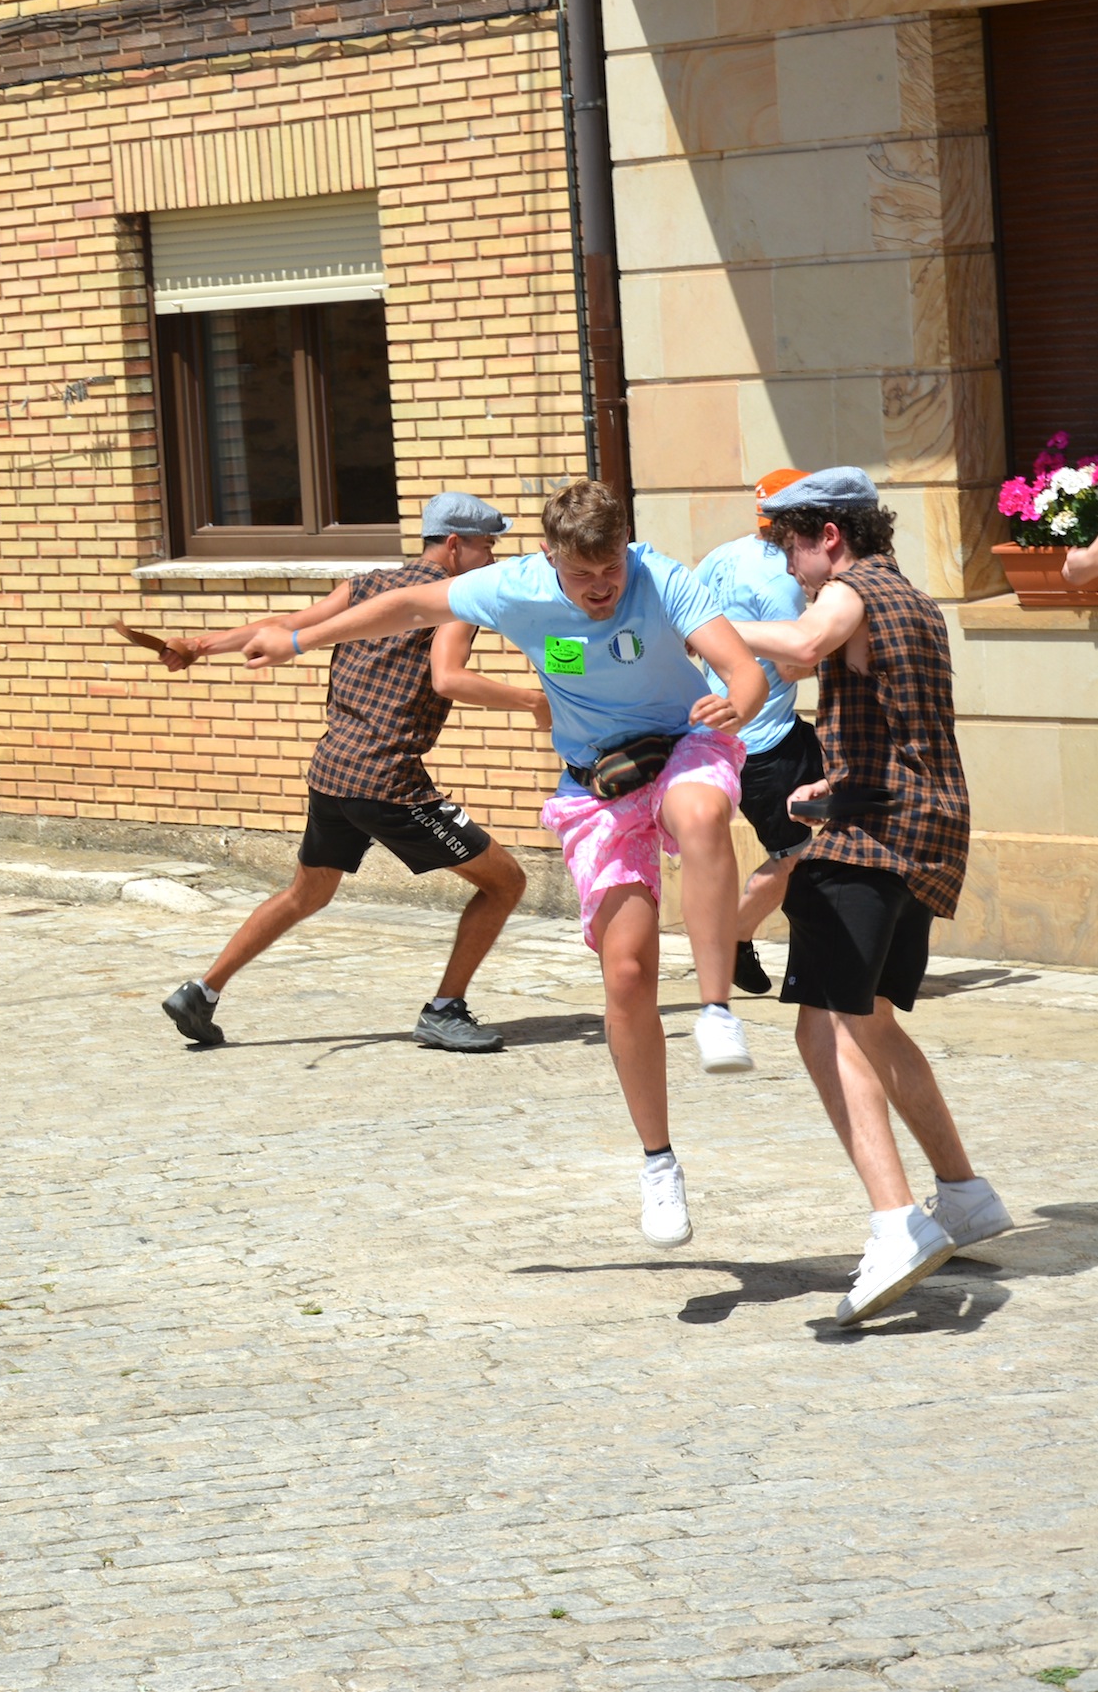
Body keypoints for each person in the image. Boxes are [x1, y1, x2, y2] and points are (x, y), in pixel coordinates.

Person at [241, 480, 767, 1250]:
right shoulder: (511, 586)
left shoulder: (660, 576)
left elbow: (741, 666)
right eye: (582, 573)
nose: (599, 588)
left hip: (684, 745)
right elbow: (409, 608)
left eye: (609, 569)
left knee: (695, 815)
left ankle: (717, 1011)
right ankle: (657, 1162)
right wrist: (295, 637)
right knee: (625, 975)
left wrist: (738, 702)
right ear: (549, 557)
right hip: (598, 781)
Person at [733, 468, 1012, 1322]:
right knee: (873, 1019)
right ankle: (962, 1194)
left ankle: (895, 1222)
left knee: (826, 1026)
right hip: (921, 828)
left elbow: (805, 644)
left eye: (787, 542)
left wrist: (702, 630)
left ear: (828, 534)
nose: (785, 563)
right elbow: (899, 719)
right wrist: (833, 787)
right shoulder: (913, 597)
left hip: (877, 837)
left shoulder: (851, 588)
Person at [155, 493, 538, 1055]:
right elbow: (449, 680)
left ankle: (202, 992)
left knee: (306, 893)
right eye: (487, 546)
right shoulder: (457, 601)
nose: (493, 558)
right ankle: (443, 1010)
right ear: (454, 546)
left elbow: (286, 626)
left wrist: (199, 645)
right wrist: (533, 700)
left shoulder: (365, 585)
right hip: (387, 780)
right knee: (506, 883)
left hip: (333, 770)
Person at [695, 469, 826, 998]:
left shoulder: (725, 555)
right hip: (762, 741)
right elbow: (796, 666)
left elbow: (687, 624)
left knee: (850, 821)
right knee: (793, 851)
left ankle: (834, 940)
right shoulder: (781, 580)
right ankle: (732, 936)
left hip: (758, 731)